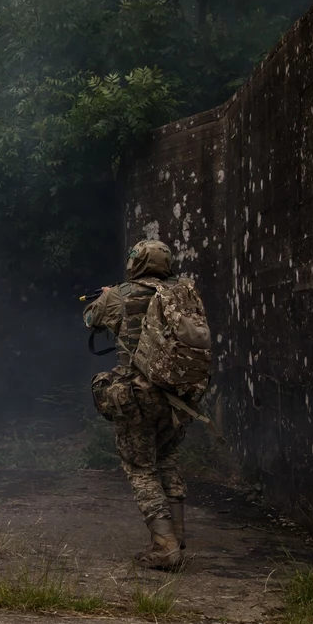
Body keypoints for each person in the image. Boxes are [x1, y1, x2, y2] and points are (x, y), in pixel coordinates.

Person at [83, 240, 203, 570]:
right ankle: (176, 539)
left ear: (135, 263)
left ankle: (164, 548)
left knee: (141, 468)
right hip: (176, 398)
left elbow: (90, 318)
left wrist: (107, 294)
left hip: (136, 396)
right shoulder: (182, 293)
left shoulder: (120, 294)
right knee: (167, 461)